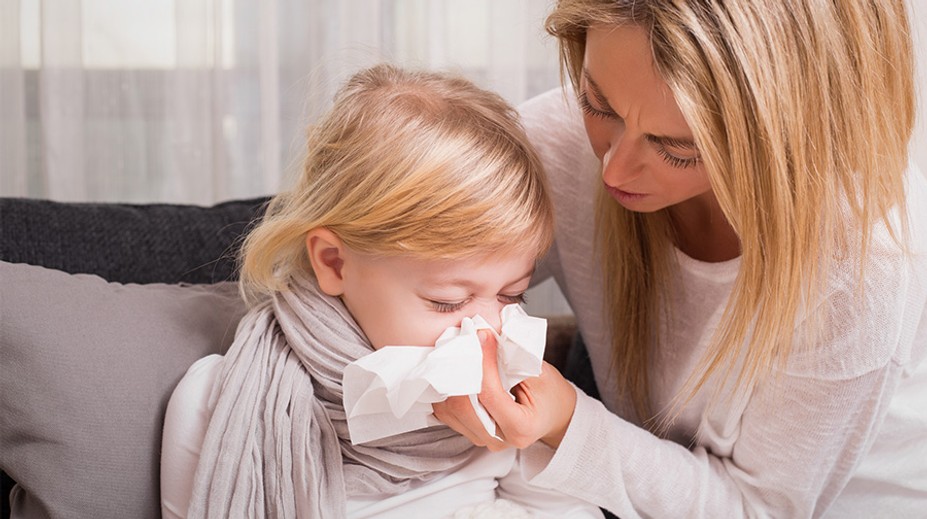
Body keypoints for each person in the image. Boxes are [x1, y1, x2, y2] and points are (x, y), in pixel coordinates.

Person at [432, 1, 927, 517]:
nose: (613, 171)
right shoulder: (562, 142)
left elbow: (755, 509)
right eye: (598, 104)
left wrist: (568, 422)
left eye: (677, 148)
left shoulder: (867, 265)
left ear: (790, 133)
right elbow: (386, 270)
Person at [159, 63, 604, 518]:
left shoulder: (513, 402)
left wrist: (552, 432)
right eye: (447, 301)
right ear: (334, 263)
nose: (487, 331)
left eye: (512, 296)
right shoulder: (220, 404)